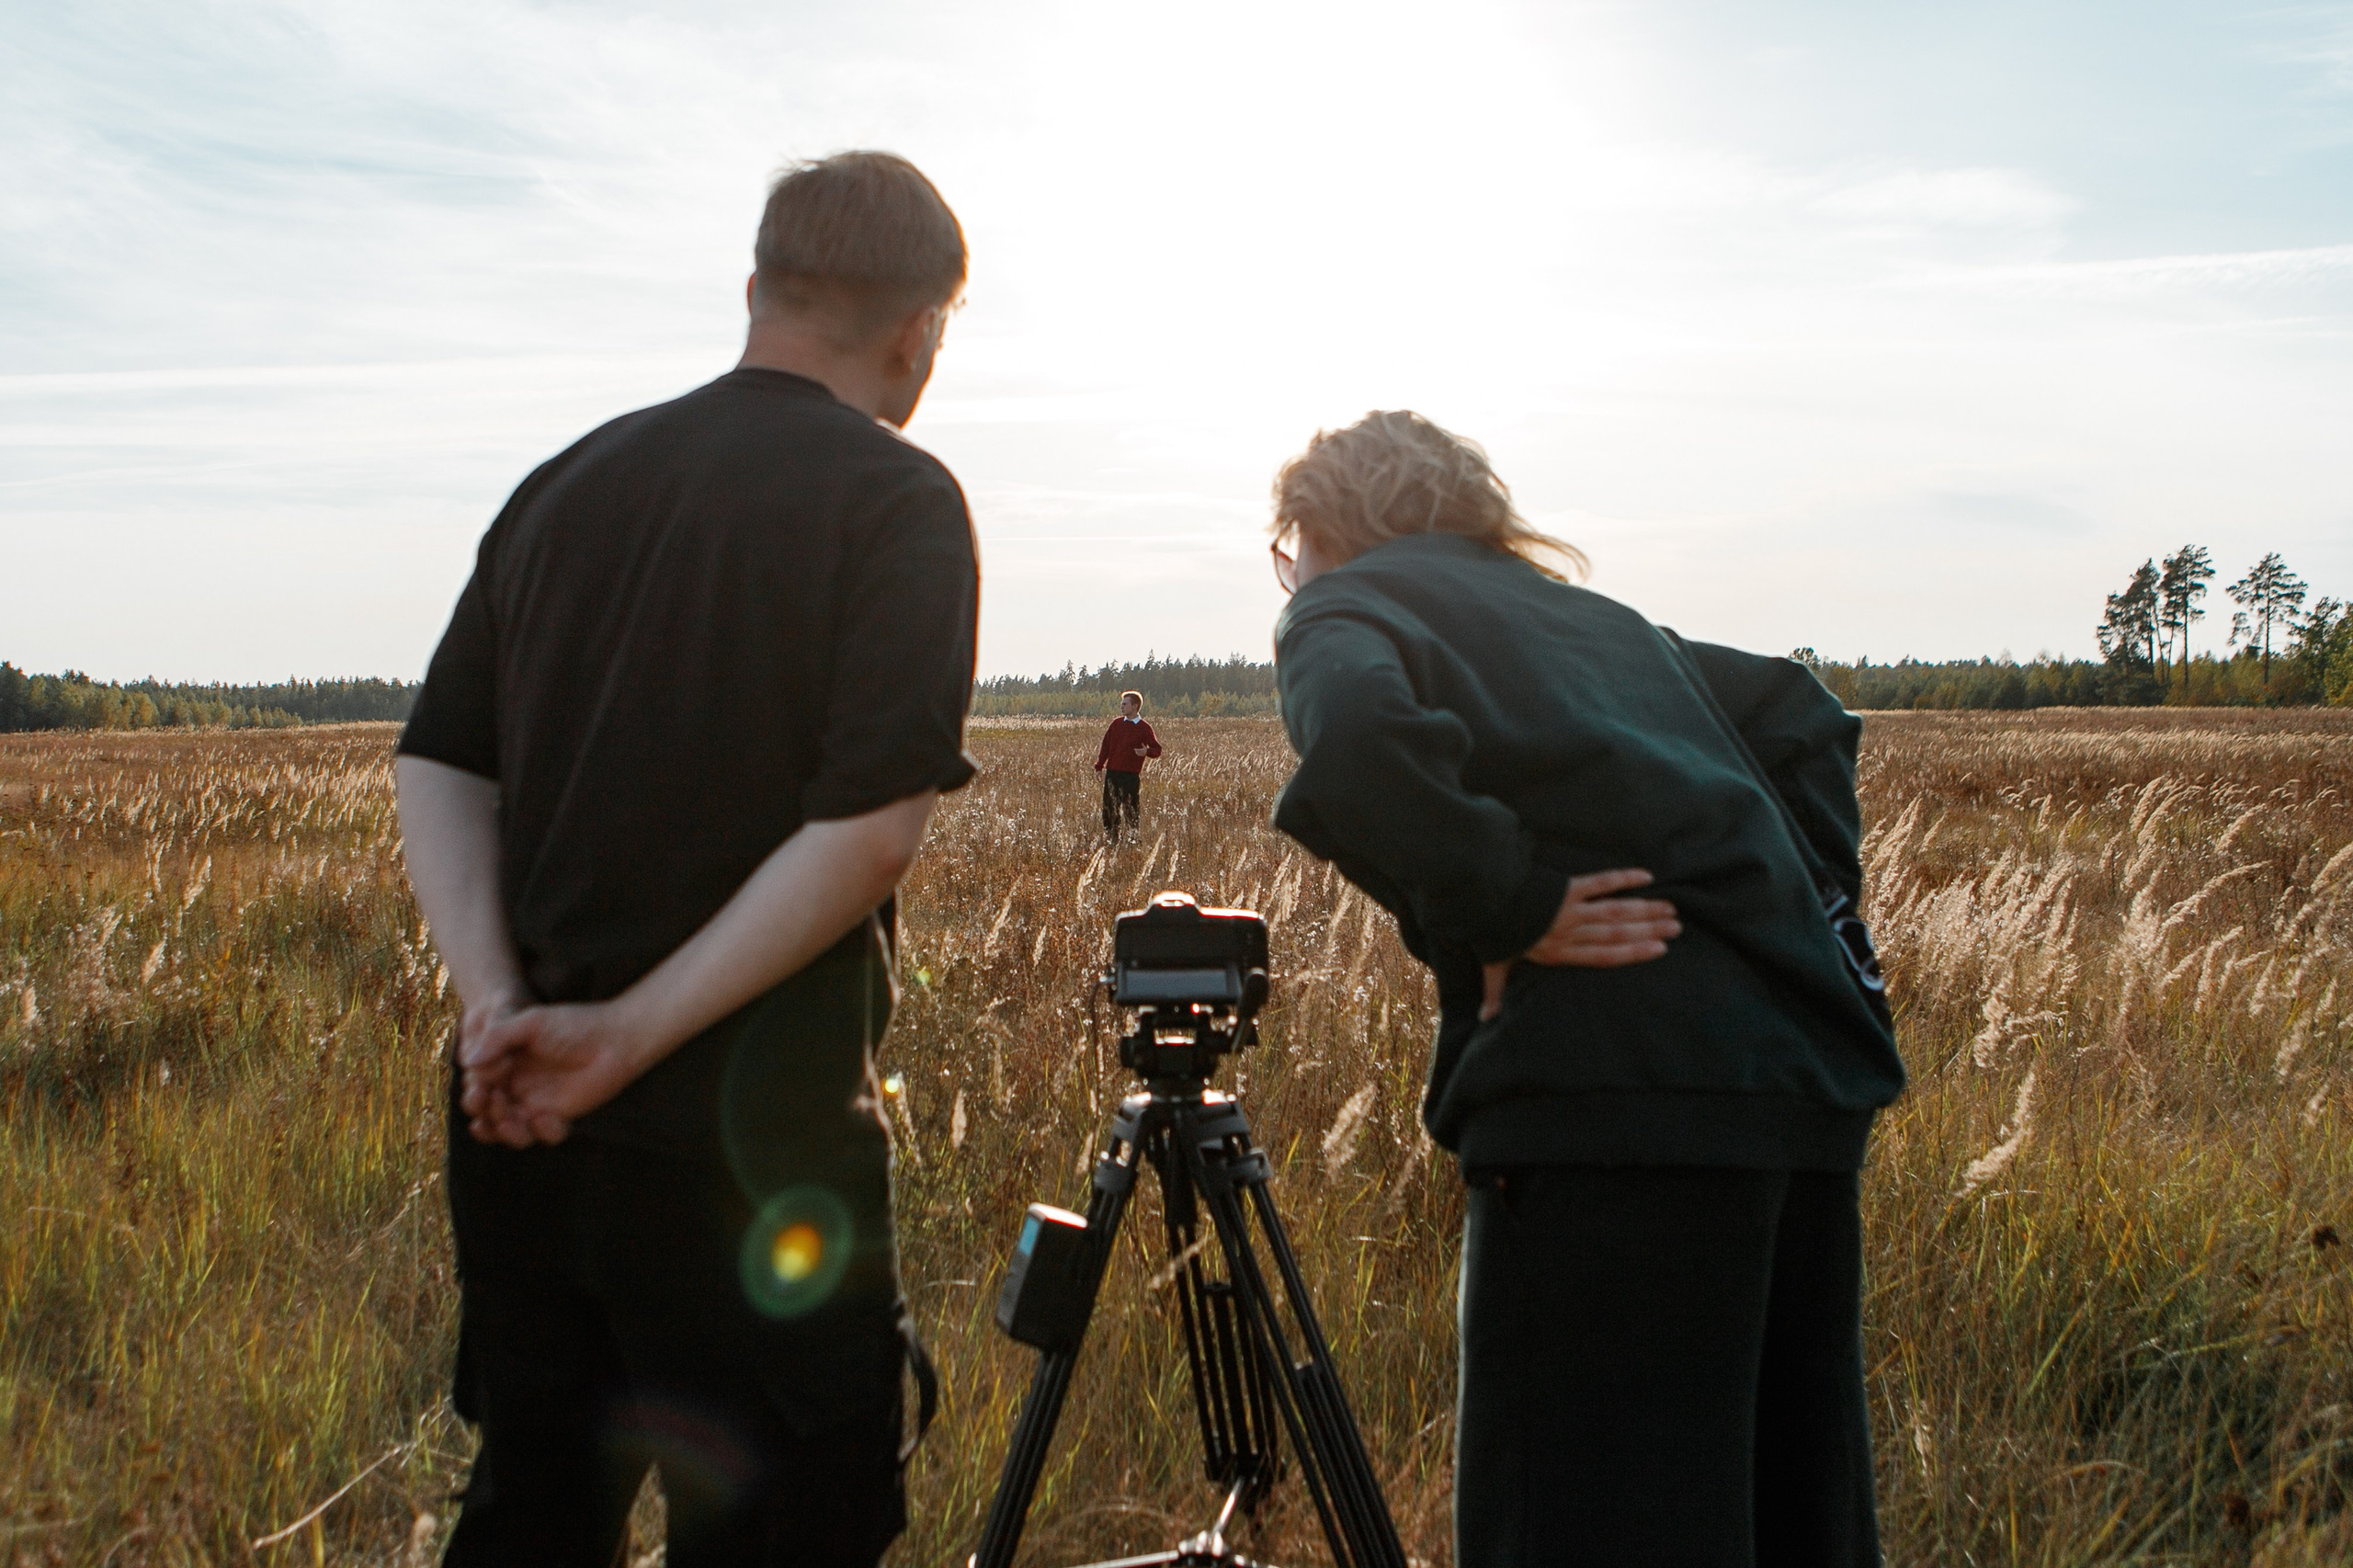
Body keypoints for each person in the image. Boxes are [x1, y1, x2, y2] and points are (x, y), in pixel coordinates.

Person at [393, 152, 979, 1568]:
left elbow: (438, 760)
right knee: (786, 1524)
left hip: (520, 1125)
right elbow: (871, 827)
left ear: (757, 289)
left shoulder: (566, 480)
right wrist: (627, 1036)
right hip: (755, 1146)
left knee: (533, 1511)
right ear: (919, 332)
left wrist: (500, 1007)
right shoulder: (897, 499)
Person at [1265, 411, 1904, 1567]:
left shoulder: (1348, 600)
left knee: (1578, 1516)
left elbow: (1354, 732)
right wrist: (1807, 916)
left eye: (1284, 552)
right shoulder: (1602, 624)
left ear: (1317, 530)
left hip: (1610, 1102)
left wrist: (1511, 903)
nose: (1288, 575)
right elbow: (1799, 712)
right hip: (1800, 1083)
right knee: (1785, 1510)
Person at [1093, 688, 1161, 841]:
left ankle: (1132, 839)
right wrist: (1099, 766)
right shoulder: (1116, 724)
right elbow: (1106, 747)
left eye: (1125, 704)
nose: (1121, 706)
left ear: (1135, 706)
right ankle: (1111, 839)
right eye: (1121, 704)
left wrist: (1146, 752)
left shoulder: (1144, 728)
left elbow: (1157, 750)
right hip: (1112, 773)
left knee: (1131, 809)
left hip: (1130, 776)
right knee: (1109, 808)